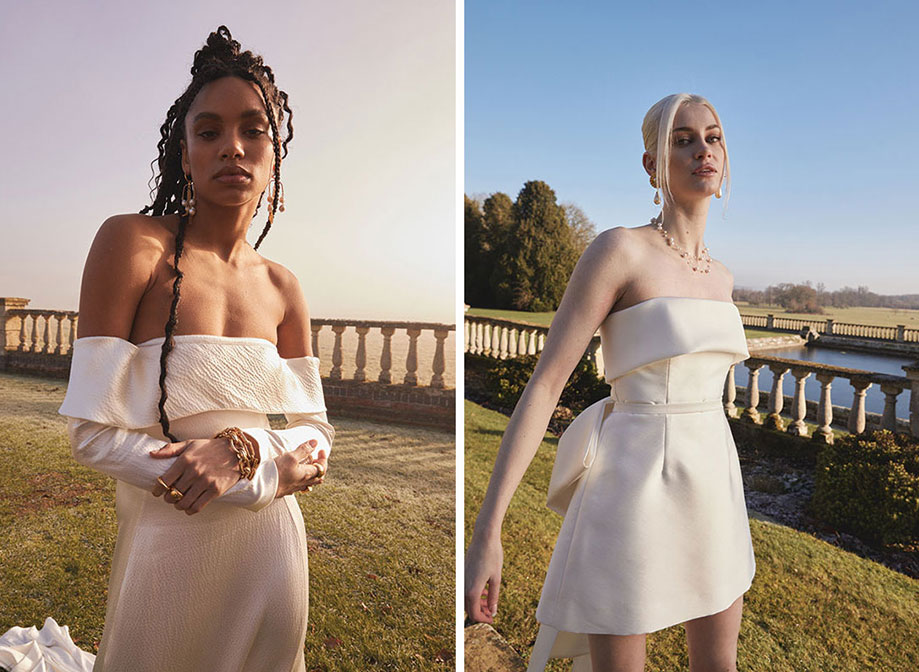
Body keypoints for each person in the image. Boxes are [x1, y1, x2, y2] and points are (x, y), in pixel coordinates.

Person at [0, 27, 334, 672]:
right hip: (169, 545)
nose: (231, 147)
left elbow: (316, 431)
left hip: (275, 552)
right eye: (208, 132)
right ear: (184, 153)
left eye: (252, 130)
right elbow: (91, 436)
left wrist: (249, 453)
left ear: (275, 151)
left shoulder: (285, 287)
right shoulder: (134, 244)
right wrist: (236, 472)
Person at [464, 93, 755, 672]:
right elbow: (546, 385)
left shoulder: (722, 278)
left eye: (713, 137)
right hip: (632, 485)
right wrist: (487, 531)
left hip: (715, 484)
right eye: (682, 139)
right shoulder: (619, 250)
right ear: (651, 164)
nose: (703, 150)